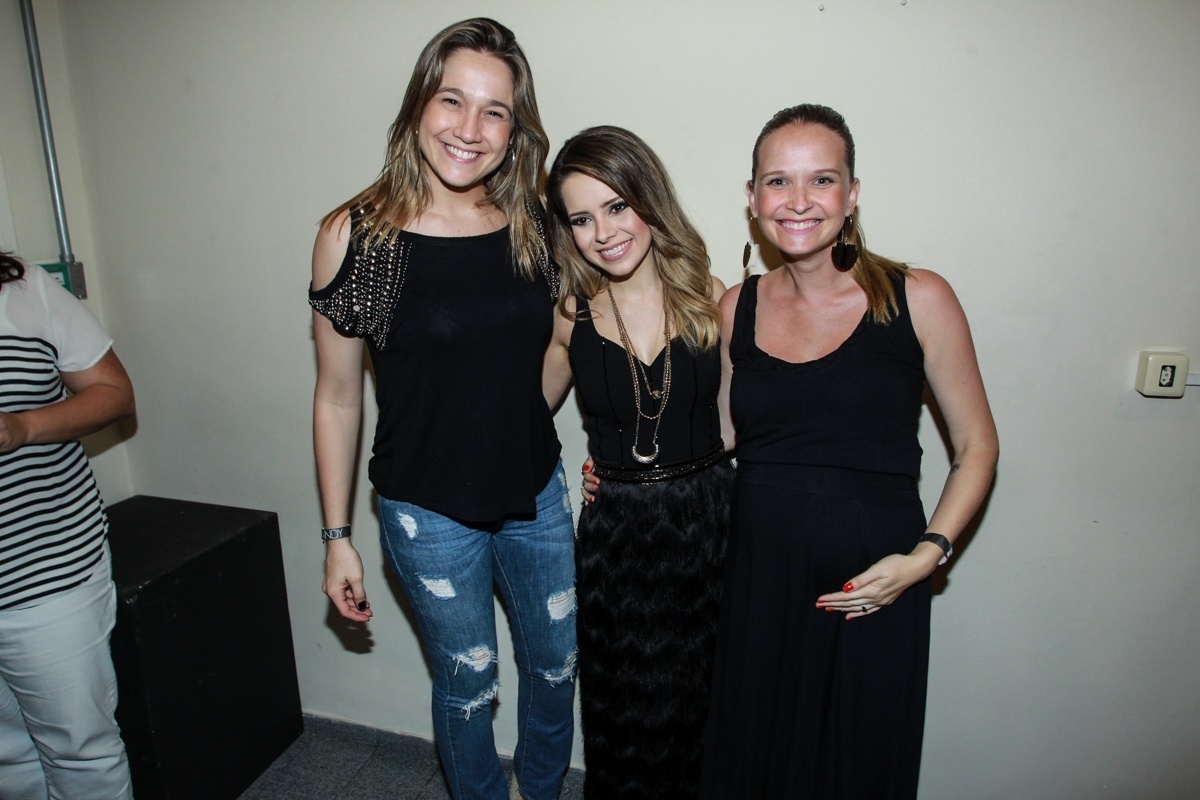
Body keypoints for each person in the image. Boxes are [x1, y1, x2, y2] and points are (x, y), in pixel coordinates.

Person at [699, 104, 999, 799]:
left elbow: (977, 446)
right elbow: (718, 439)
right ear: (752, 199)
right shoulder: (734, 307)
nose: (799, 202)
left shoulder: (916, 298)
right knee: (751, 762)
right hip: (755, 582)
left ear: (852, 193)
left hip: (874, 589)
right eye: (778, 182)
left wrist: (926, 558)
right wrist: (623, 470)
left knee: (855, 768)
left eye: (822, 180)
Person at [308, 19, 575, 800]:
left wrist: (518, 421)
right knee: (469, 684)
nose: (470, 128)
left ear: (515, 127)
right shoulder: (357, 236)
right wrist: (337, 538)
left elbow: (557, 353)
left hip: (536, 496)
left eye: (495, 110)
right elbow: (335, 394)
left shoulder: (533, 224)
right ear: (418, 104)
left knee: (555, 668)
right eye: (452, 99)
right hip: (426, 510)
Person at [542, 126, 733, 799]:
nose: (603, 231)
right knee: (621, 713)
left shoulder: (714, 298)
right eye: (582, 218)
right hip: (616, 533)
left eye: (617, 206)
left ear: (648, 201)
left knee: (706, 705)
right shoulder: (571, 313)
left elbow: (743, 427)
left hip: (709, 523)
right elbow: (519, 420)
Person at [0, 251, 136, 799]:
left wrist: (21, 428)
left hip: (44, 572)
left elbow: (116, 393)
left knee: (80, 752)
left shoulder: (22, 289)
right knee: (8, 758)